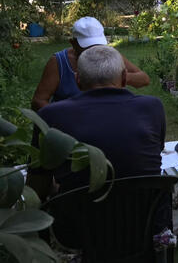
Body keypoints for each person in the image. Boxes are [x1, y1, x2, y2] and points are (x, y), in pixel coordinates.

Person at [27, 45, 166, 199]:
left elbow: (36, 188)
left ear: (77, 80)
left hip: (76, 213)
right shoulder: (152, 107)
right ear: (124, 78)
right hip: (145, 211)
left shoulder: (50, 116)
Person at [31, 17, 150, 111]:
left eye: (98, 45)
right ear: (73, 43)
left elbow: (144, 79)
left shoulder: (110, 55)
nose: (94, 50)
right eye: (88, 46)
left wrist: (116, 76)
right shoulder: (58, 62)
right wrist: (62, 119)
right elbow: (39, 101)